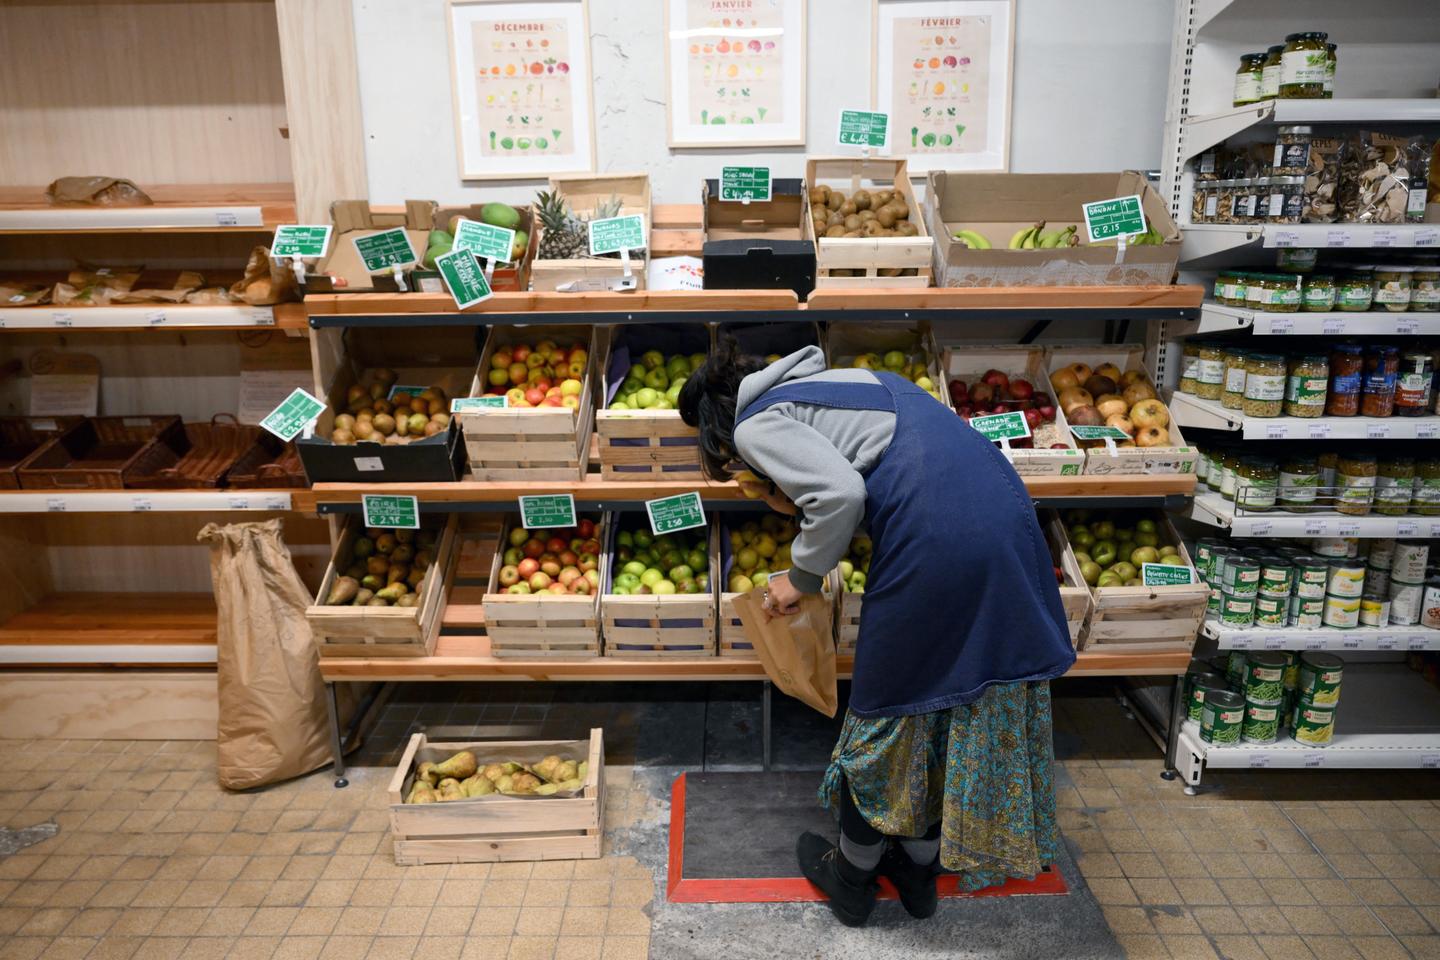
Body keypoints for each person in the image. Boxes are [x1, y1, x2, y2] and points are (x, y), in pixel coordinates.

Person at [678, 339, 1076, 927]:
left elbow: (840, 493)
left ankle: (853, 878)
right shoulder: (853, 379)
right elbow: (883, 470)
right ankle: (919, 870)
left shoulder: (752, 426)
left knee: (882, 718)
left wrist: (801, 576)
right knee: (952, 708)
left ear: (715, 426)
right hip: (1006, 522)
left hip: (935, 543)